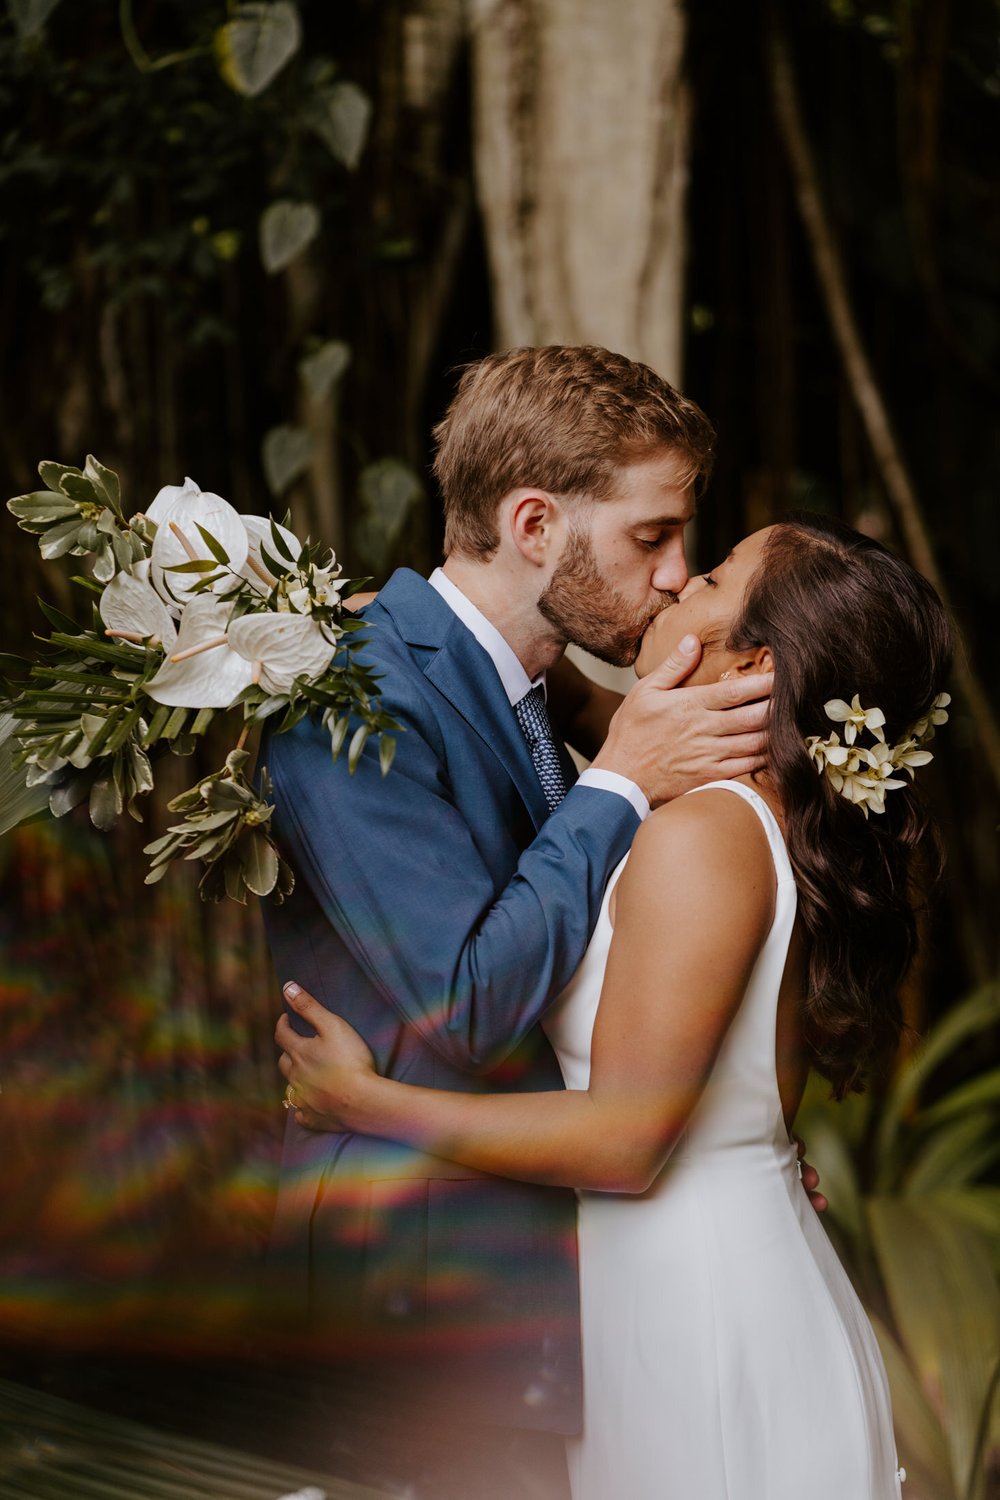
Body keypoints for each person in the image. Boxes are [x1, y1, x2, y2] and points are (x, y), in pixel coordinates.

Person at [276, 512, 953, 1500]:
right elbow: (574, 703)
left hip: (695, 1314)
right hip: (687, 1283)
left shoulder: (701, 839)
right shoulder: (755, 808)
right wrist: (437, 622)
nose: (677, 585)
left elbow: (625, 1144)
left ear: (755, 662)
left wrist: (364, 1104)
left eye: (712, 577)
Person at [261, 345, 774, 1493]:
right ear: (533, 523)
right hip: (425, 1279)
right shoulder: (351, 700)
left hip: (529, 1272)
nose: (672, 572)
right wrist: (621, 780)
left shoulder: (522, 684)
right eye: (651, 536)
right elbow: (467, 1003)